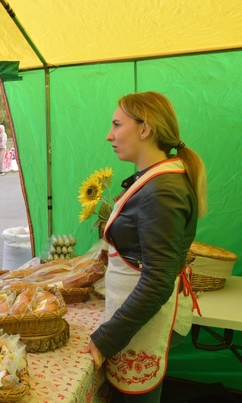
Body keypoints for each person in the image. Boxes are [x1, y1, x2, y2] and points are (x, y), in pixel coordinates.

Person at [82, 91, 207, 402]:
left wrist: (107, 338)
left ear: (145, 129)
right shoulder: (154, 180)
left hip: (145, 322)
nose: (109, 135)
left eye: (117, 125)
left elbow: (157, 282)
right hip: (134, 316)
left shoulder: (162, 191)